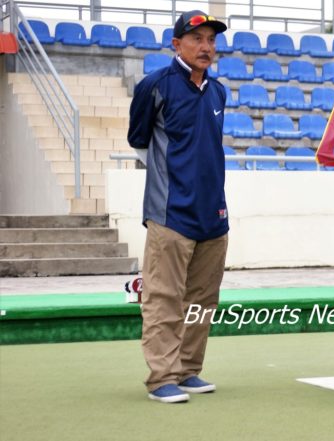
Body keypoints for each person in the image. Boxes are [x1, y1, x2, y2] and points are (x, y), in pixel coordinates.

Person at [127, 10, 230, 404]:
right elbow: (140, 142)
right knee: (163, 298)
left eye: (211, 40)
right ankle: (162, 378)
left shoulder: (218, 91)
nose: (206, 47)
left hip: (214, 215)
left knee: (202, 301)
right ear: (176, 44)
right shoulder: (155, 86)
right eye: (197, 38)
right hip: (170, 214)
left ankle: (188, 369)